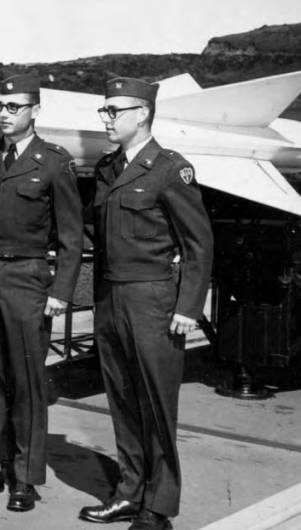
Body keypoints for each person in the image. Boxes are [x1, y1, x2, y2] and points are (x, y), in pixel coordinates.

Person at [79, 77, 213, 530]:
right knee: (122, 401)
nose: (107, 119)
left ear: (143, 115)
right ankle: (128, 493)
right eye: (105, 110)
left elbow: (198, 244)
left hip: (154, 300)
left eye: (115, 111)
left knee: (156, 405)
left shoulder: (170, 169)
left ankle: (158, 507)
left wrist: (188, 307)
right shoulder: (107, 169)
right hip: (111, 298)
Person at [0, 73, 83, 512]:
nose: (4, 114)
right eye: (0, 107)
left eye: (14, 108)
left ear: (35, 112)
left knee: (26, 382)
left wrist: (61, 289)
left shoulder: (54, 162)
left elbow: (70, 235)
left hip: (27, 277)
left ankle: (24, 478)